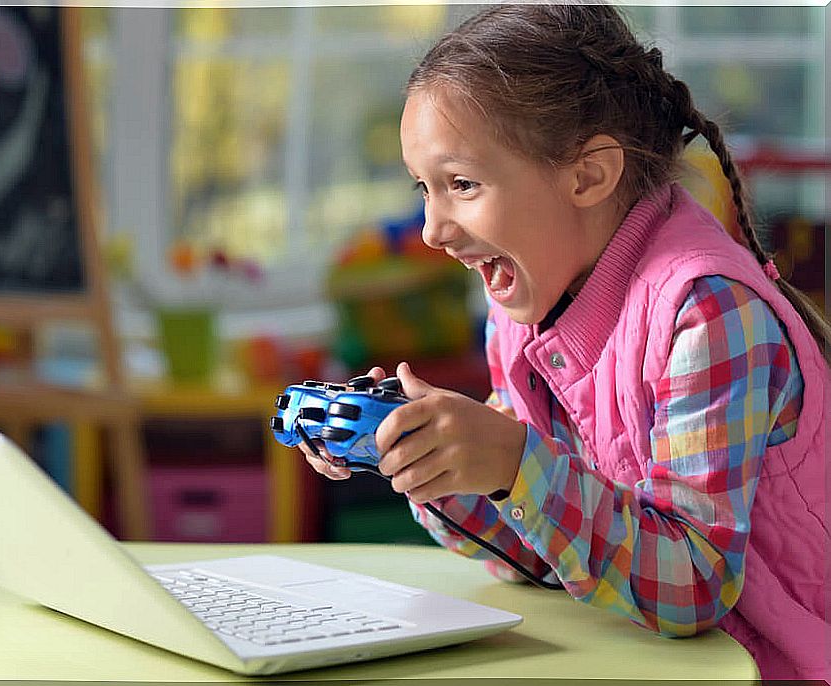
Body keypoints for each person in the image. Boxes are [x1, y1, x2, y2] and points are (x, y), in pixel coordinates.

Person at [298, 3, 830, 681]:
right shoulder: (521, 302)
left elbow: (693, 587)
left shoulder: (706, 313)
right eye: (424, 189)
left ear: (589, 175)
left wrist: (516, 463)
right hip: (632, 657)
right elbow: (543, 557)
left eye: (462, 185)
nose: (432, 229)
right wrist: (434, 462)